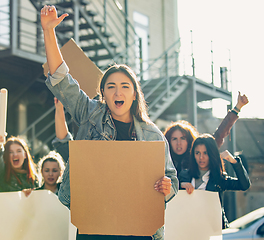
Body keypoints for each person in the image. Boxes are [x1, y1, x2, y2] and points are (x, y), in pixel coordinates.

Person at [40, 5, 178, 240]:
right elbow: (61, 79)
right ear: (103, 93)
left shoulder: (153, 136)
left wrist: (167, 187)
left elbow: (171, 181)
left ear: (135, 94)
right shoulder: (89, 113)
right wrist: (48, 31)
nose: (118, 92)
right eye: (111, 87)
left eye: (125, 87)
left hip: (139, 229)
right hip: (94, 225)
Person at [163, 91, 249, 175]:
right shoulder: (163, 160)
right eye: (174, 139)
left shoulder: (198, 154)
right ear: (168, 141)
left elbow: (219, 134)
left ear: (188, 139)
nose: (179, 143)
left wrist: (237, 107)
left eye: (183, 138)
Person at [179, 134, 251, 228]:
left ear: (212, 154)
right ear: (193, 155)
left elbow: (244, 185)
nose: (201, 157)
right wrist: (180, 186)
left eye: (205, 153)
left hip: (213, 230)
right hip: (188, 228)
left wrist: (234, 162)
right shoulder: (184, 175)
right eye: (197, 153)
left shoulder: (219, 180)